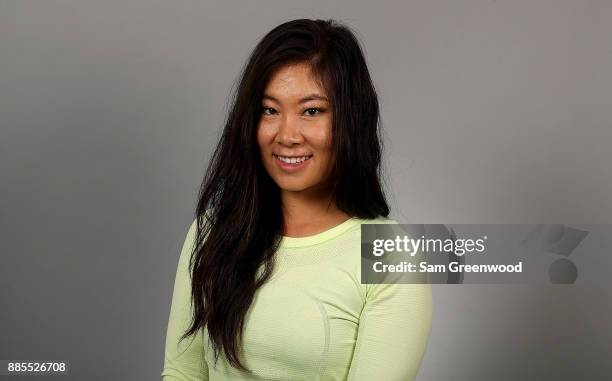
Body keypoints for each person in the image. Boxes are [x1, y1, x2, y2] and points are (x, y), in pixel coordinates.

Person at [162, 18, 432, 380]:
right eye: (270, 110)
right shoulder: (214, 231)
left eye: (312, 111)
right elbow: (182, 372)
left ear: (351, 121)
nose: (287, 135)